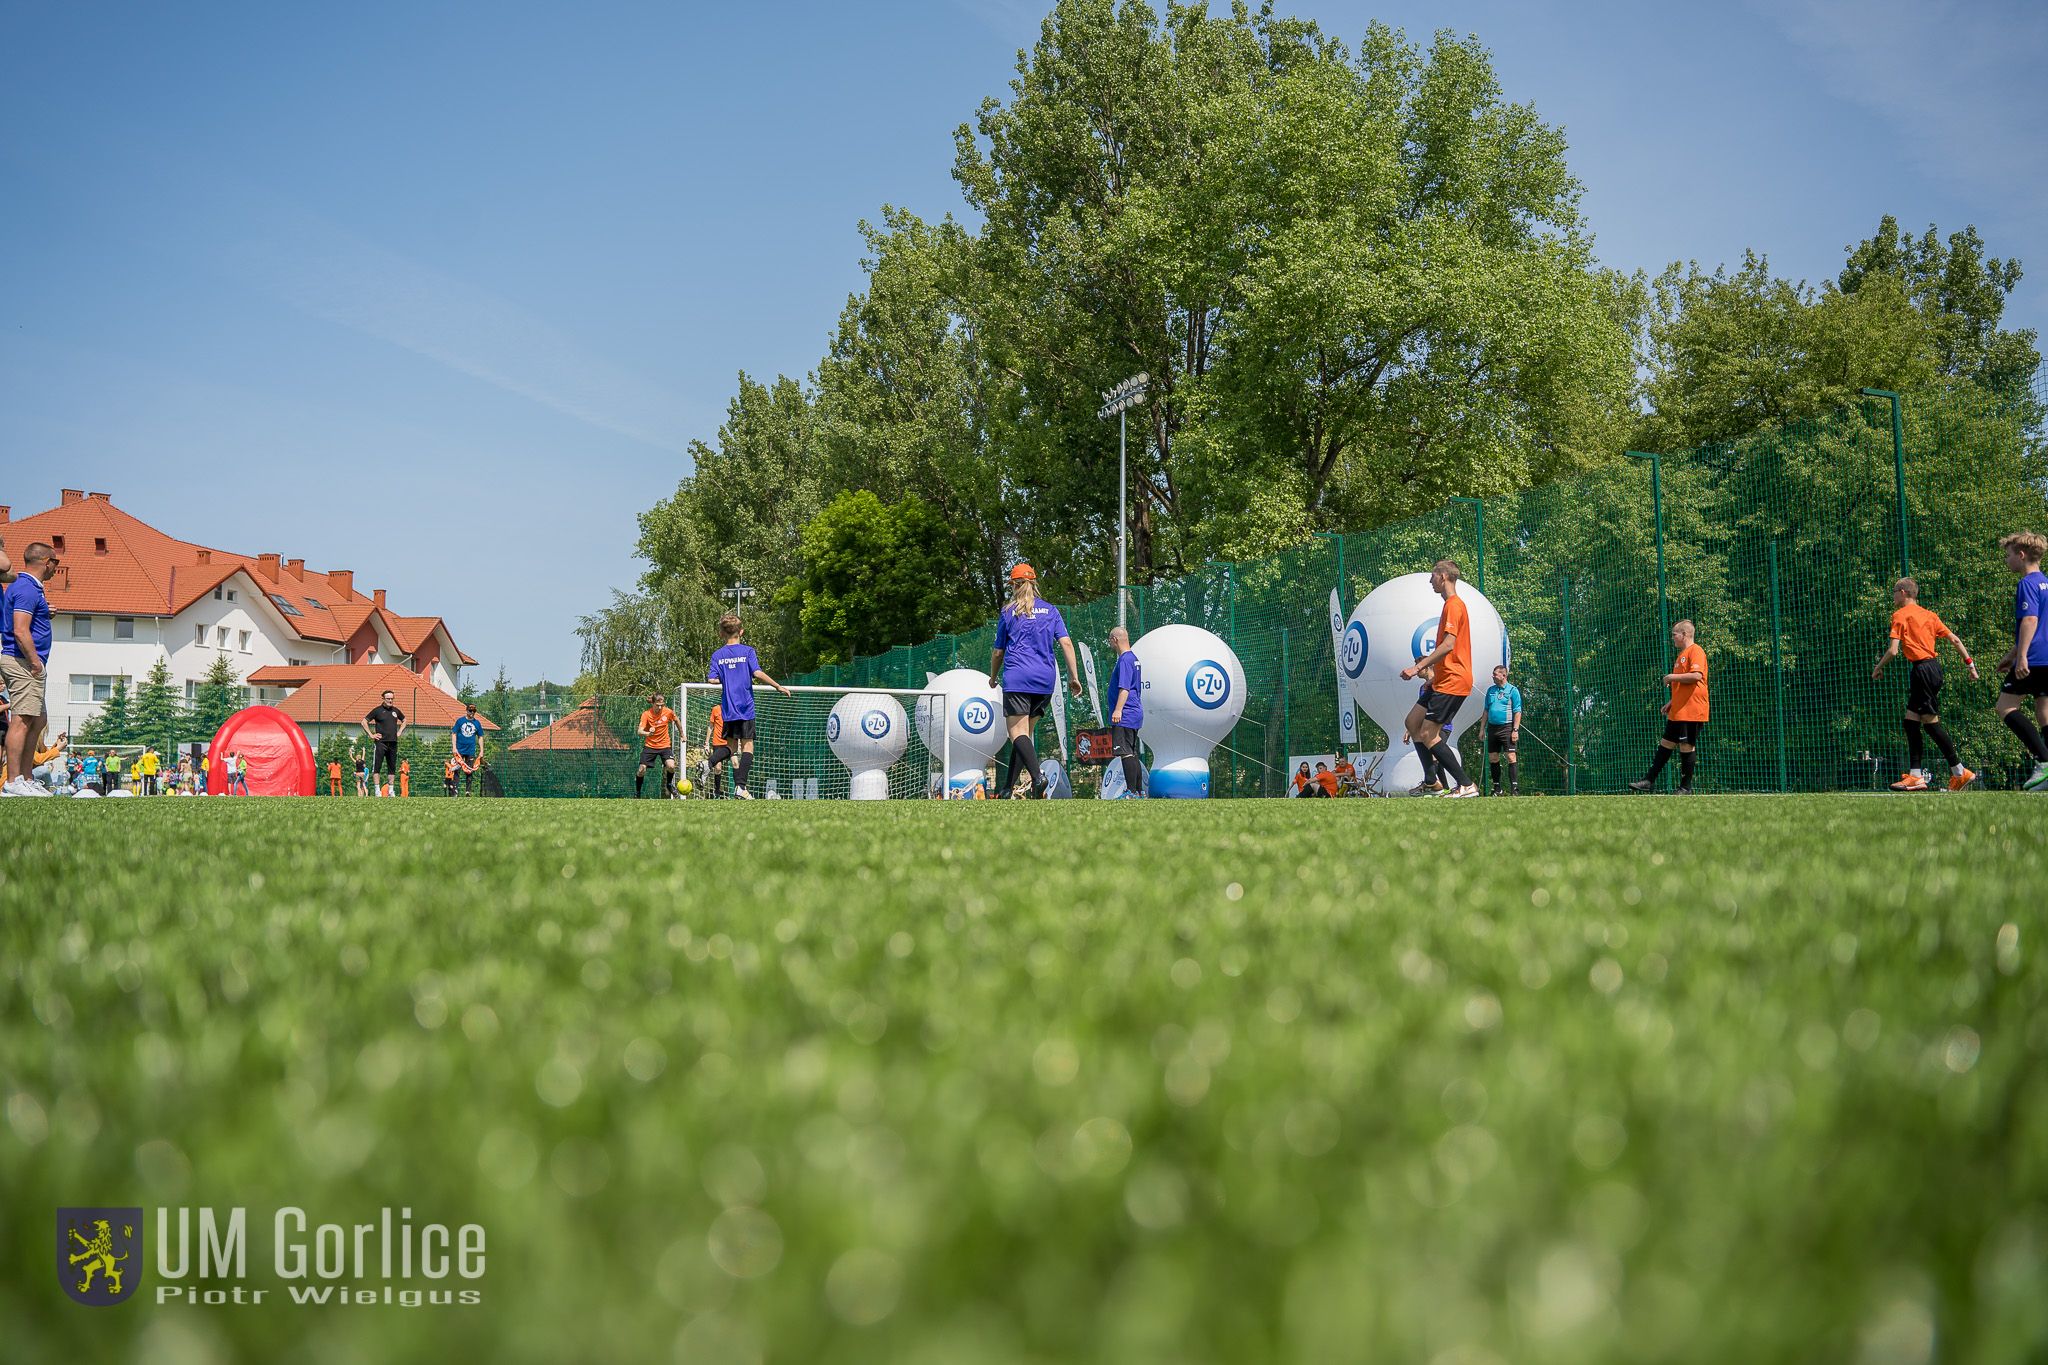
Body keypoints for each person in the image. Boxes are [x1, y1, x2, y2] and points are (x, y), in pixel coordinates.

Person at [1872, 576, 1978, 791]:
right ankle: (1916, 774)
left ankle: (1959, 772)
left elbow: (1893, 650)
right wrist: (1970, 665)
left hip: (1922, 671)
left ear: (1903, 592)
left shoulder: (1900, 615)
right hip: (1932, 670)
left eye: (1894, 591)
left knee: (1931, 724)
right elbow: (1955, 639)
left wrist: (1878, 667)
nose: (1892, 596)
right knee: (1911, 721)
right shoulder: (1930, 615)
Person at [987, 564, 1082, 799]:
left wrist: (993, 676)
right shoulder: (1051, 611)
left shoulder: (1008, 612)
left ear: (1015, 585)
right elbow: (1067, 643)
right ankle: (1007, 789)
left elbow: (998, 652)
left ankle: (1038, 777)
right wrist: (1074, 677)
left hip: (1018, 679)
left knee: (1016, 734)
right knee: (1024, 737)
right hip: (1044, 681)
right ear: (1034, 583)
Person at [1399, 559, 1479, 798]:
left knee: (1428, 734)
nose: (1430, 580)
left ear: (1443, 576)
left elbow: (1449, 645)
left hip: (1454, 680)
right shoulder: (1448, 606)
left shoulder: (1454, 605)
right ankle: (1432, 782)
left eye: (1432, 575)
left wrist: (1418, 667)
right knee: (1412, 723)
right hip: (1441, 680)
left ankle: (1466, 784)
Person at [707, 615, 791, 800]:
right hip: (745, 707)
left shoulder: (717, 655)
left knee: (730, 748)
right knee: (748, 747)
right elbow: (757, 672)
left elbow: (711, 679)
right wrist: (777, 686)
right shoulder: (747, 651)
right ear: (741, 632)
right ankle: (741, 787)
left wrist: (726, 676)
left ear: (721, 633)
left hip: (728, 708)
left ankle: (709, 764)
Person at [1990, 532, 2048, 790]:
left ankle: (2043, 760)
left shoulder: (2027, 583)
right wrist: (2011, 656)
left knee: (2005, 706)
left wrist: (2022, 656)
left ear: (2021, 555)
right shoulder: (2046, 582)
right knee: (2044, 711)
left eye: (2008, 555)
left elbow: (2030, 621)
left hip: (2034, 657)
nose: (2006, 560)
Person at [1, 542, 58, 797]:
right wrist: (35, 661)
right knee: (22, 719)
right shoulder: (26, 588)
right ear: (46, 562)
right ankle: (13, 781)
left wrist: (47, 613)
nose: (56, 567)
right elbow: (20, 629)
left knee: (38, 719)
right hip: (23, 662)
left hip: (29, 663)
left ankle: (26, 777)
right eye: (55, 562)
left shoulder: (33, 589)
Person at [1630, 620, 1709, 794]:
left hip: (1692, 710)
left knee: (1686, 746)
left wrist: (1672, 677)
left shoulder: (1696, 651)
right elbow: (1685, 686)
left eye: (1674, 634)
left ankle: (1685, 787)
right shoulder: (1682, 654)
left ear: (1684, 635)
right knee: (1665, 744)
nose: (1672, 638)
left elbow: (1697, 676)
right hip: (1679, 710)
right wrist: (1672, 702)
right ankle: (1649, 780)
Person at [1107, 625, 1145, 799]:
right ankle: (1139, 791)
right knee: (1131, 751)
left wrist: (1118, 709)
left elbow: (1125, 688)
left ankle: (1131, 792)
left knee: (1125, 752)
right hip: (1134, 712)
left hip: (1126, 713)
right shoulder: (1134, 658)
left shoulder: (1124, 660)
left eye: (1109, 641)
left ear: (1115, 640)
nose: (1110, 645)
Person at [1483, 664, 1523, 796]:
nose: (1493, 676)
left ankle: (1514, 789)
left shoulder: (1512, 690)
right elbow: (1486, 710)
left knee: (1511, 756)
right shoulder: (1490, 690)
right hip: (1492, 728)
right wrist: (1482, 729)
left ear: (1503, 676)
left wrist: (1515, 730)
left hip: (1507, 727)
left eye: (1495, 674)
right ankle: (1497, 789)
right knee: (1493, 757)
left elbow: (1517, 711)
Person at [362, 690, 407, 796]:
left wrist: (400, 731)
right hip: (380, 743)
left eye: (392, 698)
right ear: (383, 699)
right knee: (377, 767)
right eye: (388, 698)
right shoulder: (377, 711)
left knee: (392, 767)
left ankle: (391, 791)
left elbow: (404, 720)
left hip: (393, 743)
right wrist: (371, 734)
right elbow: (364, 722)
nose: (390, 700)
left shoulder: (396, 711)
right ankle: (377, 791)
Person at [636, 691, 679, 798]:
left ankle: (669, 784)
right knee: (641, 769)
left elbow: (677, 720)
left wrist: (683, 734)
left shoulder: (668, 712)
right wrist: (648, 733)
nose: (660, 708)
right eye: (657, 705)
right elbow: (639, 731)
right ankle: (637, 792)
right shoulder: (646, 714)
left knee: (671, 766)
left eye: (662, 705)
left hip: (665, 745)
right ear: (653, 703)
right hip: (650, 746)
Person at [451, 703, 485, 795]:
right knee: (457, 769)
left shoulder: (477, 723)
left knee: (469, 771)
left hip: (470, 750)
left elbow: (480, 737)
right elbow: (454, 733)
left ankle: (468, 791)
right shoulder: (460, 721)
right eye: (470, 711)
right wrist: (454, 747)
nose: (472, 713)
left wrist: (481, 751)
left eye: (474, 711)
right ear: (466, 711)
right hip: (459, 750)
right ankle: (455, 791)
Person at [703, 702, 730, 799]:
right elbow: (711, 726)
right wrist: (706, 743)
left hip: (731, 743)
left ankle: (739, 790)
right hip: (718, 743)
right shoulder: (716, 709)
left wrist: (739, 742)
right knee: (718, 768)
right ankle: (717, 791)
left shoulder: (733, 708)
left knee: (736, 763)